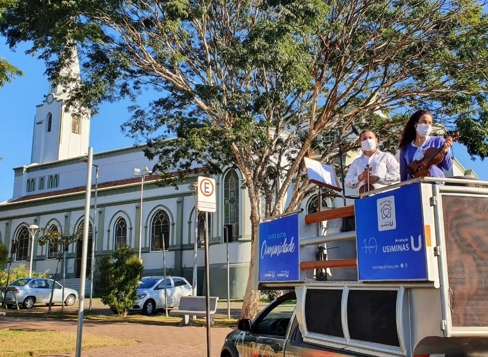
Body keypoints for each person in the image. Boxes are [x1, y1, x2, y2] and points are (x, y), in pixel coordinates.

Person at [398, 109, 453, 181]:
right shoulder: (405, 149)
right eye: (424, 122)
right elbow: (404, 175)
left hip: (435, 184)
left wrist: (445, 152)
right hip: (414, 186)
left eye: (430, 123)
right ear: (415, 125)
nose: (427, 126)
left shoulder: (438, 141)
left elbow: (448, 167)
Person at [345, 130, 400, 194]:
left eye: (370, 138)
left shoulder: (386, 156)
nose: (368, 140)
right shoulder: (356, 162)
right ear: (360, 143)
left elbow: (398, 174)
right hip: (364, 199)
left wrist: (379, 178)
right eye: (364, 139)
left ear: (376, 140)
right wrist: (360, 177)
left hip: (385, 198)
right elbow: (347, 182)